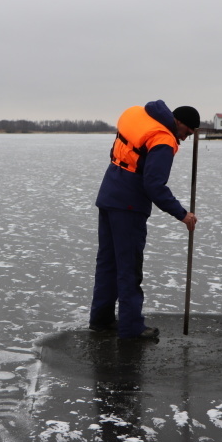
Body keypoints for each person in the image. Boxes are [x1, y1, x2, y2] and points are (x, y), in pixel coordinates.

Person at [89, 100, 200, 340]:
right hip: (128, 206)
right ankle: (131, 328)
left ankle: (101, 319)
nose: (185, 138)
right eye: (187, 132)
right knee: (129, 268)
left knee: (107, 263)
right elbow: (154, 186)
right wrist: (182, 214)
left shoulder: (143, 118)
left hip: (109, 194)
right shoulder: (163, 140)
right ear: (179, 122)